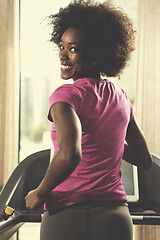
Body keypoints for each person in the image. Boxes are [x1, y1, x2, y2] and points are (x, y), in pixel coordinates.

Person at [25, 1, 152, 239]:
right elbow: (144, 159)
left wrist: (40, 192)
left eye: (73, 49)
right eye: (61, 46)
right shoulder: (121, 96)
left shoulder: (66, 96)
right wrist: (106, 139)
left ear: (96, 55)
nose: (63, 54)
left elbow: (69, 154)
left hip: (66, 214)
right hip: (116, 216)